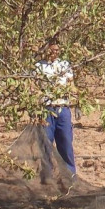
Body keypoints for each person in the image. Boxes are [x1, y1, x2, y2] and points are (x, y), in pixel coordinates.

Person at [34, 41, 76, 177]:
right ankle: (47, 177)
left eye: (57, 50)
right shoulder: (38, 67)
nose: (55, 53)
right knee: (46, 144)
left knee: (66, 143)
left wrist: (78, 101)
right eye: (52, 50)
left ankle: (70, 176)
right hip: (46, 109)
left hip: (62, 108)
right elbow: (33, 88)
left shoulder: (64, 65)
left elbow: (71, 85)